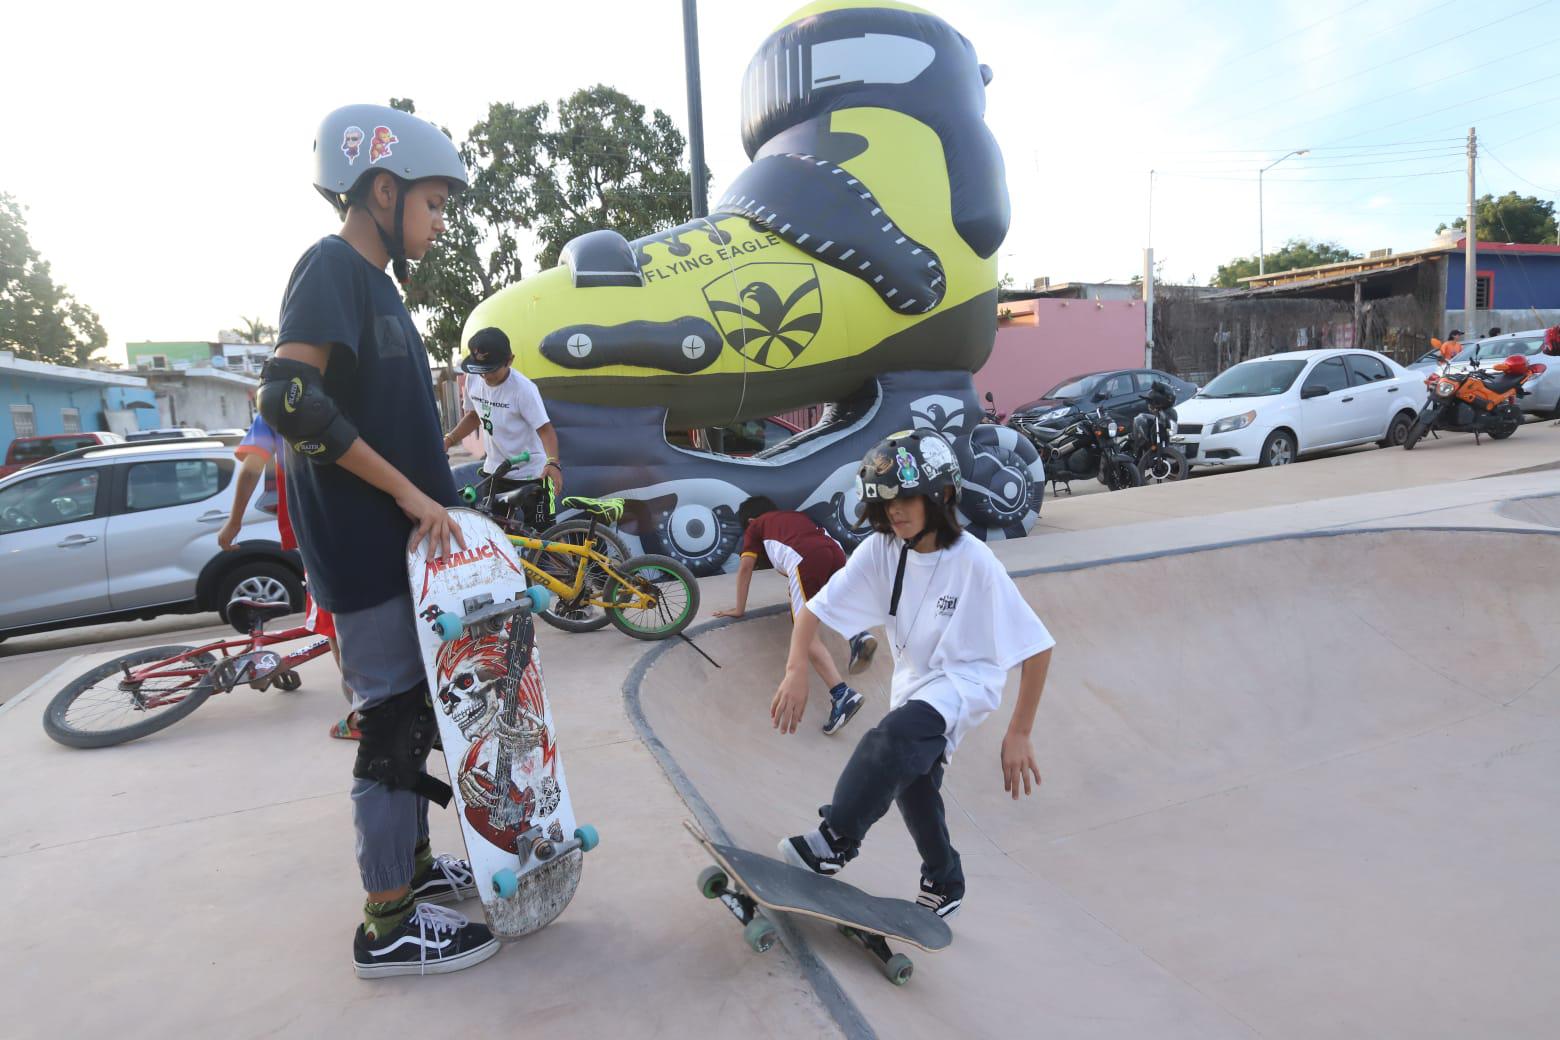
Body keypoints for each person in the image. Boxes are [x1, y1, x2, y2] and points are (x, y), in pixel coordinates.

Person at [257, 103, 495, 978]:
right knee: (390, 725)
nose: (438, 222)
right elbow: (286, 398)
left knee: (412, 716)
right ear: (382, 191)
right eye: (433, 204)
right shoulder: (330, 268)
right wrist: (406, 494)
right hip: (364, 550)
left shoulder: (381, 290)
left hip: (402, 554)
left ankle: (417, 874)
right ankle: (387, 925)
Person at [770, 431, 1055, 919]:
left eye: (905, 500)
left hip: (966, 682)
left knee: (889, 740)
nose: (894, 513)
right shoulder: (882, 549)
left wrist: (1020, 731)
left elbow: (1037, 647)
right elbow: (813, 612)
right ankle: (945, 880)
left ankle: (835, 839)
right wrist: (797, 667)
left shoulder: (975, 563)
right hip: (914, 682)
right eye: (886, 503)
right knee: (914, 784)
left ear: (941, 495)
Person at [219, 413, 357, 740]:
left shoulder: (276, 406)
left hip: (318, 528)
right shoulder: (349, 389)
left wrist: (235, 521)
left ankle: (364, 715)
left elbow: (253, 466)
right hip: (364, 518)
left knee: (333, 622)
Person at [712, 496, 875, 735]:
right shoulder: (794, 517)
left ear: (750, 520)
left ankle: (842, 695)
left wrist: (738, 608)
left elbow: (746, 567)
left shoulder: (756, 526)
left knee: (804, 632)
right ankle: (858, 635)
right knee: (830, 602)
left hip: (805, 557)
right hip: (836, 551)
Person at [442, 327, 562, 531]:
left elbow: (545, 429)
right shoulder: (473, 379)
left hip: (534, 474)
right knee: (495, 535)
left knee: (546, 537)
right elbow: (474, 416)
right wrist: (449, 440)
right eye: (481, 369)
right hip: (496, 473)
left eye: (491, 369)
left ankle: (560, 563)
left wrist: (553, 463)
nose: (485, 376)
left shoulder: (523, 389)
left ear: (510, 360)